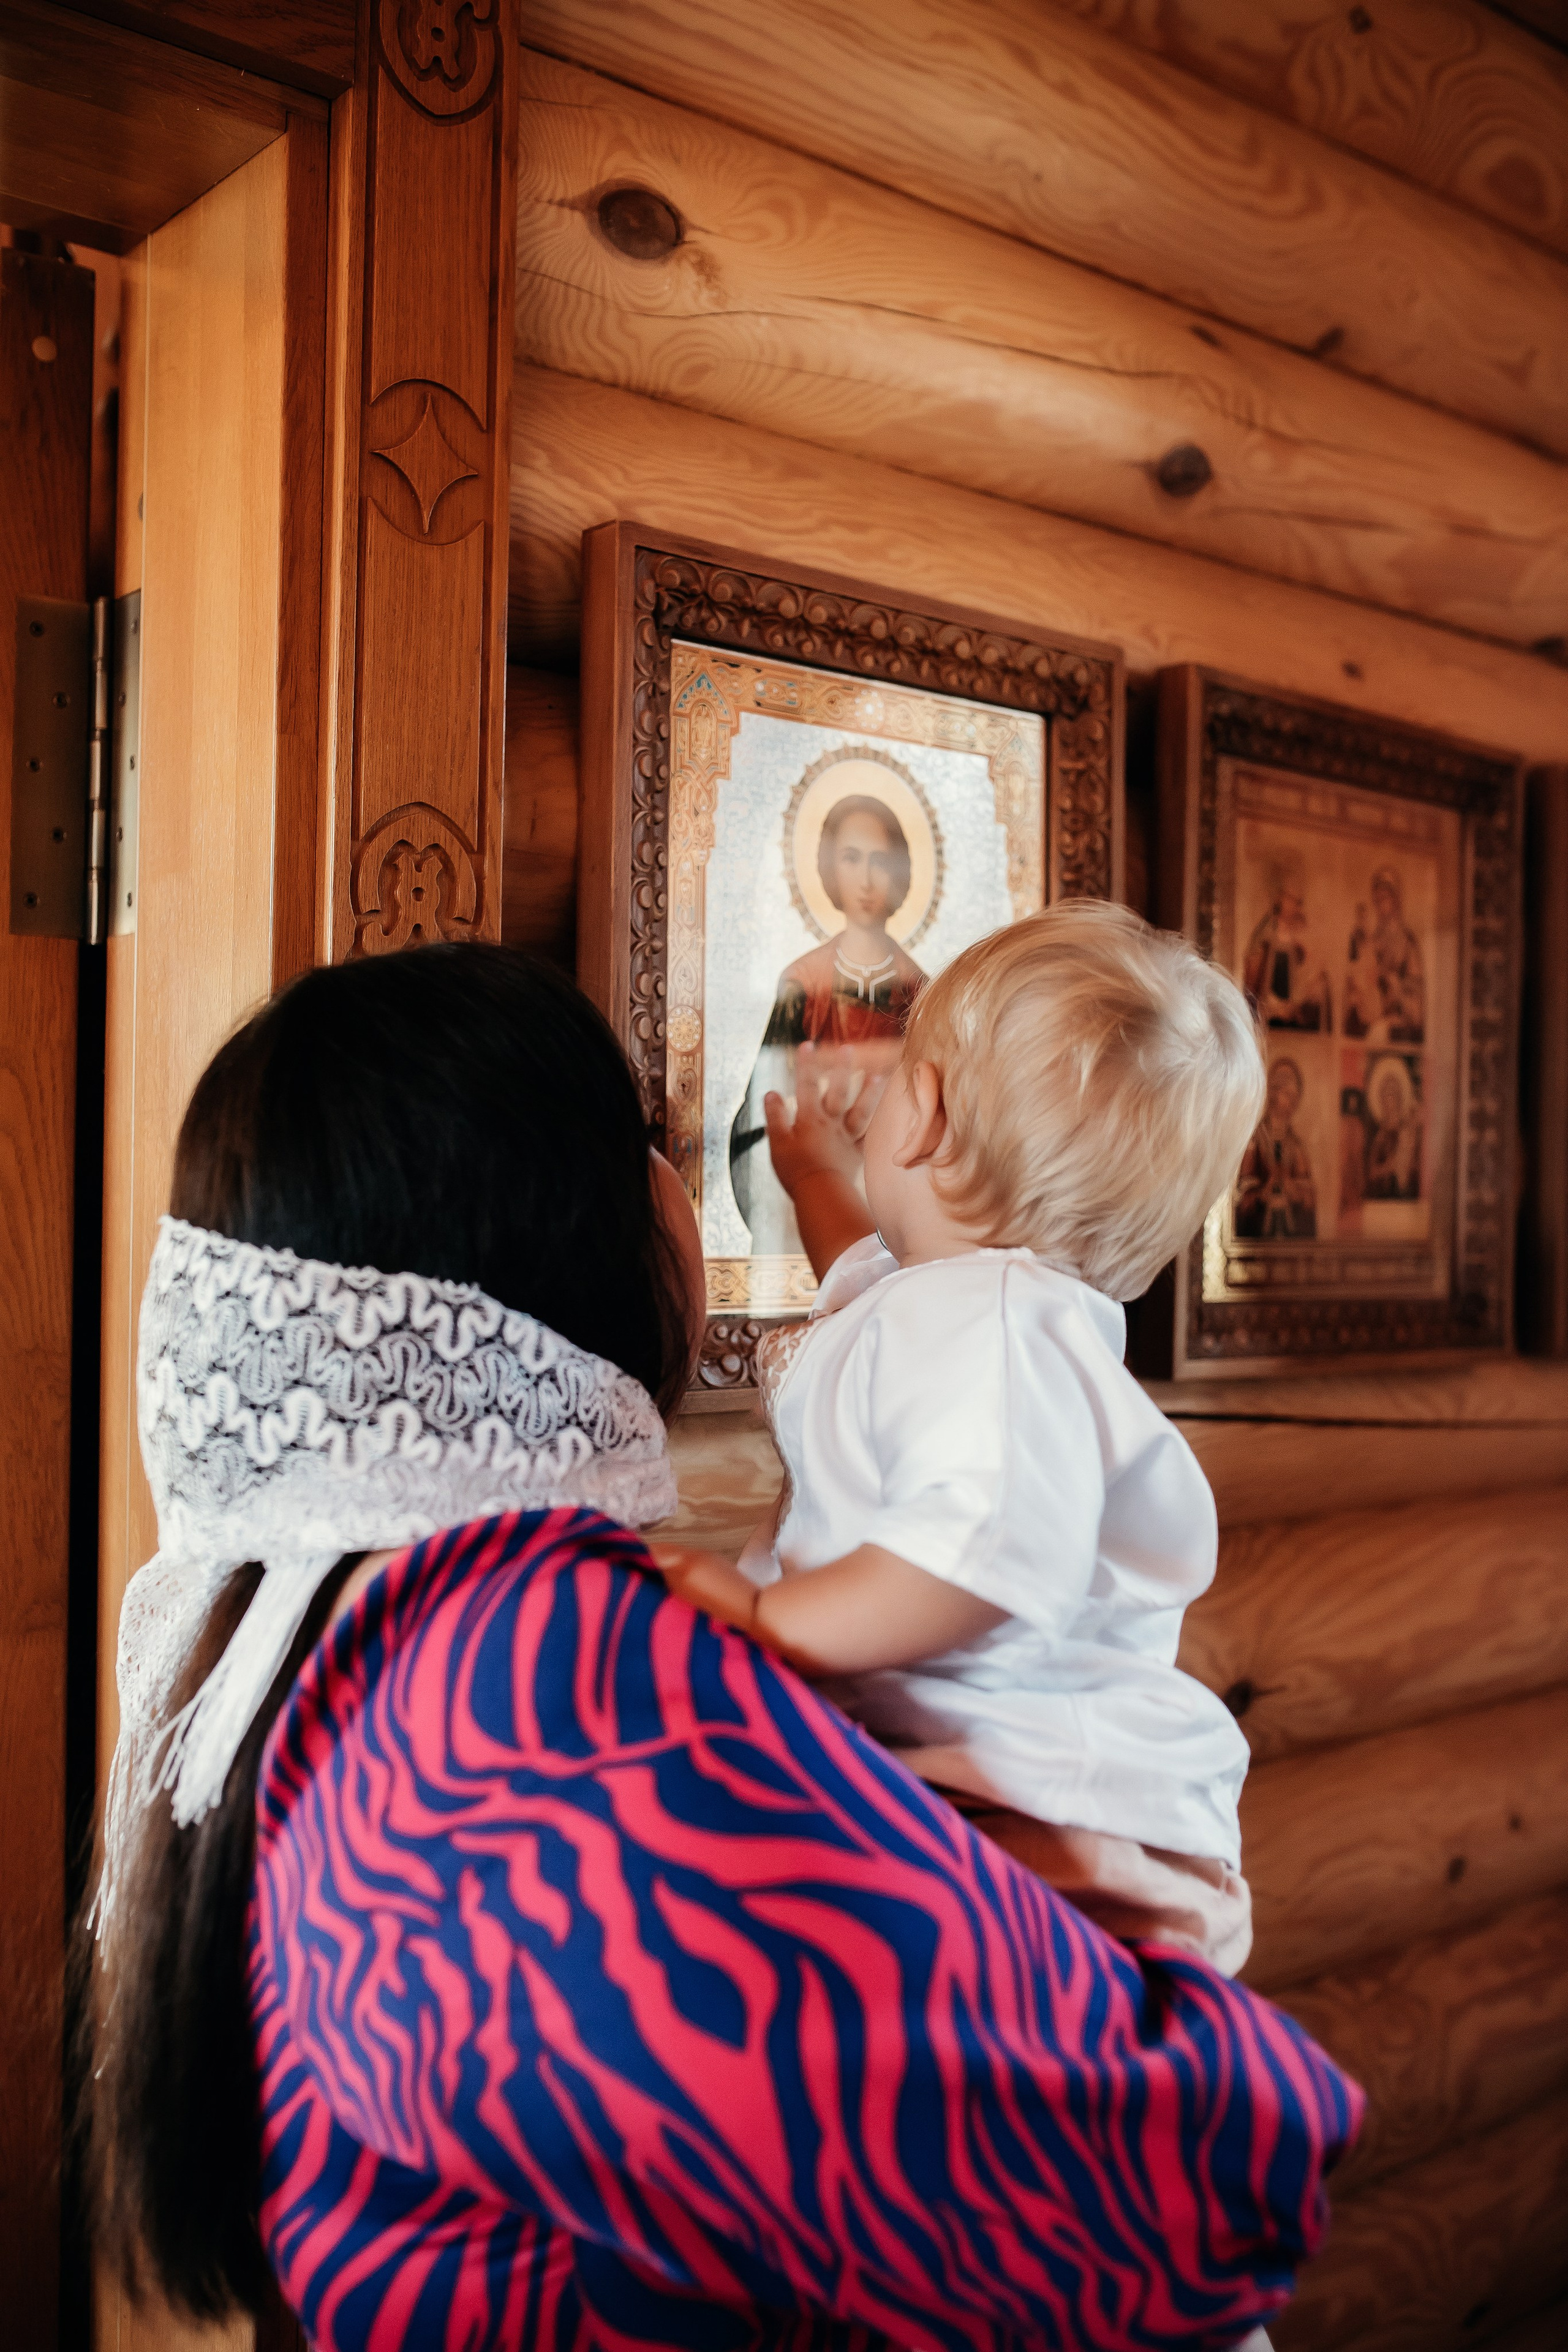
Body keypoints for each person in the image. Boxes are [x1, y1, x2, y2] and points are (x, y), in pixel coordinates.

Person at [80, 942, 1358, 2351]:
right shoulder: (528, 1676)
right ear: (556, 1219)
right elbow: (1155, 2192)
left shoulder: (350, 1635)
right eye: (644, 1139)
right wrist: (1151, 1990)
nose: (682, 1179)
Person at [657, 905, 1268, 1978]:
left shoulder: (986, 1330)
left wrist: (768, 1619)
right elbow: (861, 1271)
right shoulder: (959, 1311)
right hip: (1006, 1792)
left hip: (1039, 1813)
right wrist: (813, 1180)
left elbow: (983, 1549)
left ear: (923, 1113)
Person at [730, 794, 924, 1253]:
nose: (866, 878)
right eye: (852, 858)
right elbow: (766, 1107)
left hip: (895, 1188)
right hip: (817, 1185)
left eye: (881, 860)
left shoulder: (921, 991)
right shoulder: (803, 982)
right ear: (829, 870)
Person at [1242, 859, 1332, 1032]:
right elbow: (1254, 965)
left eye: (1296, 901)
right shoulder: (1266, 929)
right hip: (1270, 1003)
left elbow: (1308, 967)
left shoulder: (1299, 931)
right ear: (1278, 898)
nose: (1292, 905)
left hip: (1293, 1001)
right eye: (1288, 898)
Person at [1234, 1058, 1318, 1240]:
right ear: (1273, 1093)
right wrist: (1263, 1192)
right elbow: (1242, 1196)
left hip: (1290, 1242)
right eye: (1286, 1092)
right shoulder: (1255, 1143)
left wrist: (1294, 1190)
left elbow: (1309, 1199)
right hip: (1257, 1241)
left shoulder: (1297, 1147)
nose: (1292, 1099)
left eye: (1295, 1094)